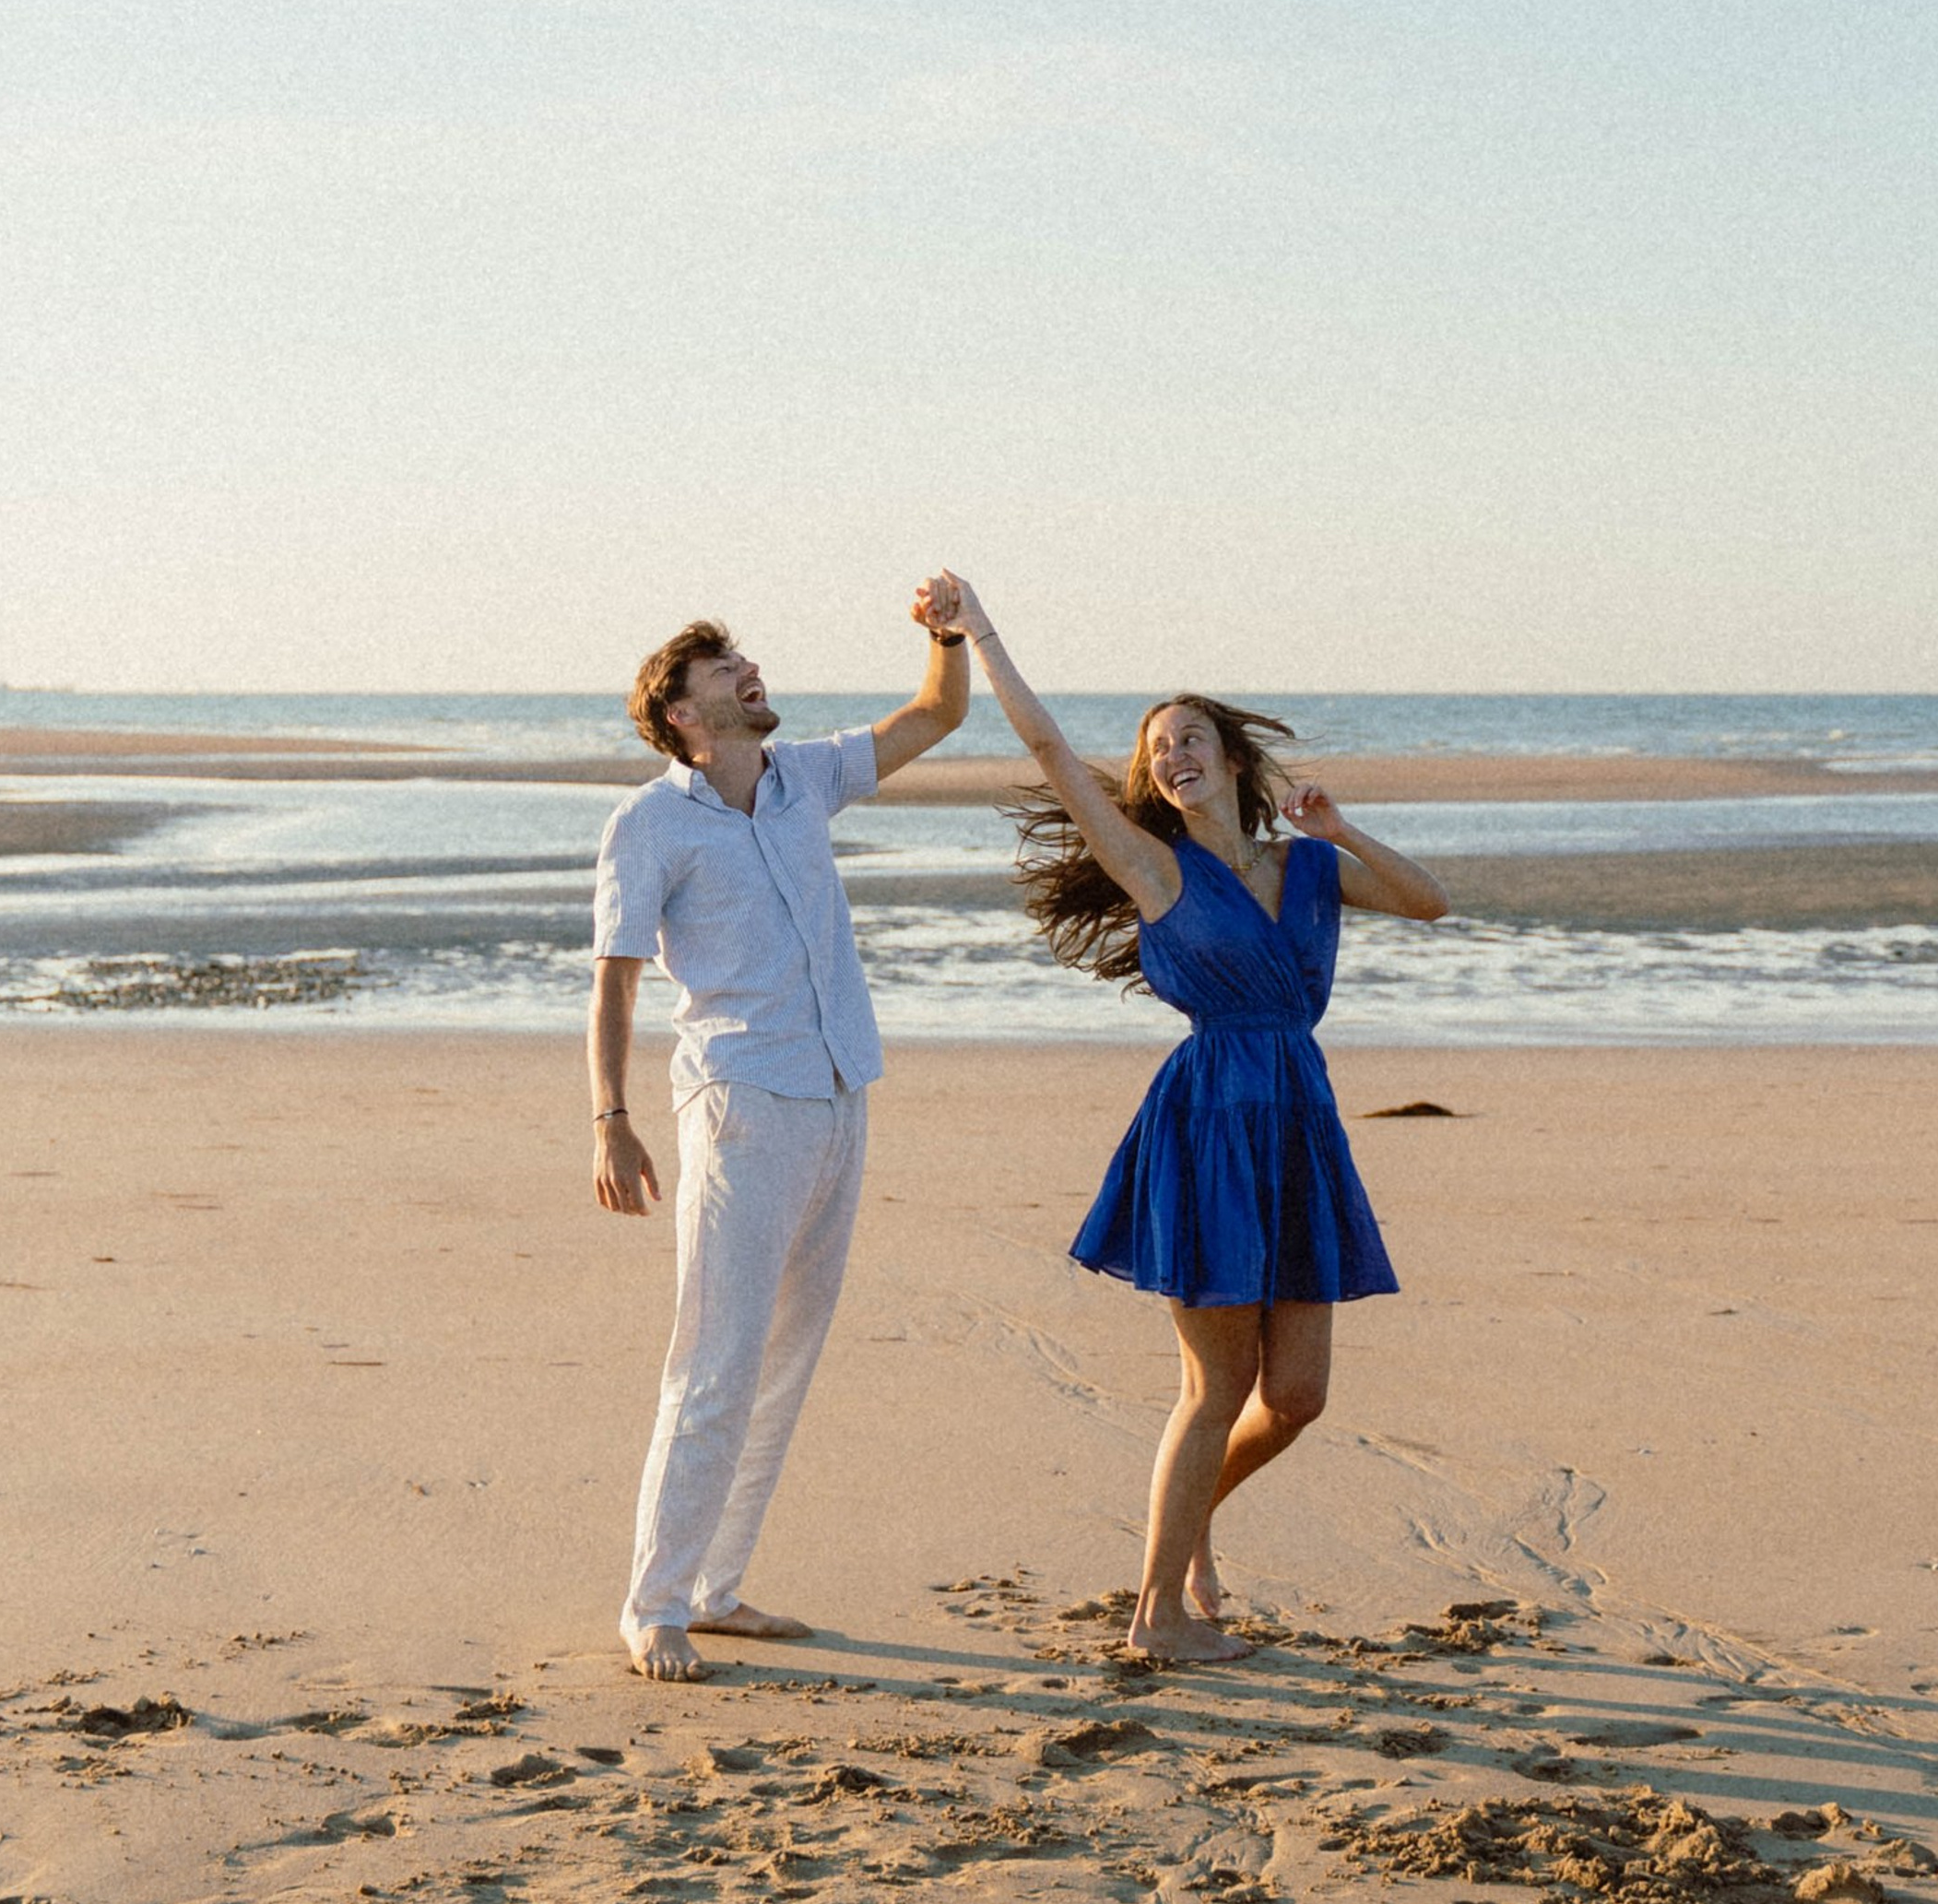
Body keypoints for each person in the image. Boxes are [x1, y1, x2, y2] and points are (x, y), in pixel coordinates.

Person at [915, 573, 1448, 1664]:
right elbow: (1056, 757)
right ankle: (1156, 1616)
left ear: (1235, 760)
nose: (1172, 754)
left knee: (1295, 1396)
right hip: (1208, 1120)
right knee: (1217, 1385)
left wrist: (1344, 831)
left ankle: (1187, 1523)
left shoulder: (1306, 869)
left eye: (1191, 736)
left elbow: (1428, 899)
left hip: (1297, 1120)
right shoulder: (1153, 867)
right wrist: (984, 633)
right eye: (1157, 746)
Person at [589, 599, 970, 1680]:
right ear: (677, 713)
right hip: (740, 1102)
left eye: (745, 660)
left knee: (786, 1357)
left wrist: (948, 632)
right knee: (714, 1359)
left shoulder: (807, 775)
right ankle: (653, 1604)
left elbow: (936, 714)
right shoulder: (648, 826)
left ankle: (716, 1588)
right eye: (723, 668)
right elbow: (613, 979)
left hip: (842, 1088)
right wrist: (610, 1120)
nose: (750, 671)